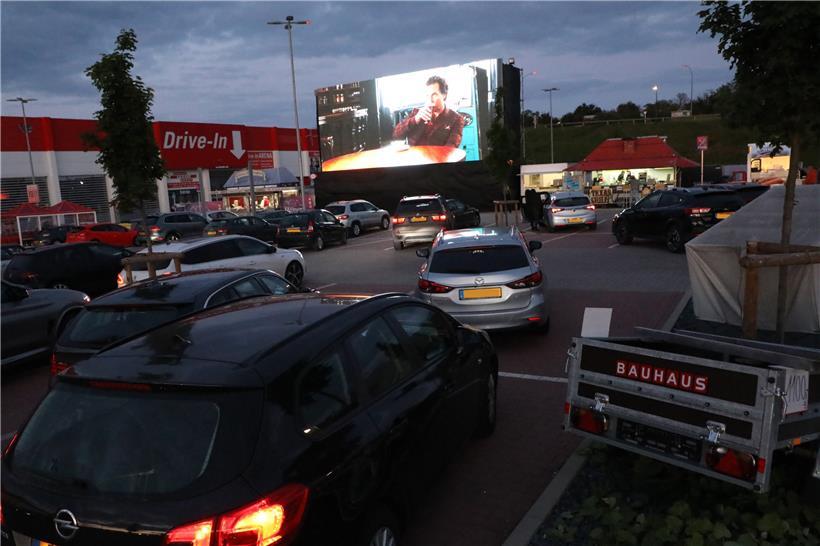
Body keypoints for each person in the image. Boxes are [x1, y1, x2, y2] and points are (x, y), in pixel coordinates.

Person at [392, 75, 465, 147]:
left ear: (444, 95)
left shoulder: (456, 119)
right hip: (414, 154)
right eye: (427, 95)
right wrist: (415, 119)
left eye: (434, 95)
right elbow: (395, 135)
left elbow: (452, 147)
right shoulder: (416, 113)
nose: (430, 100)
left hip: (438, 154)